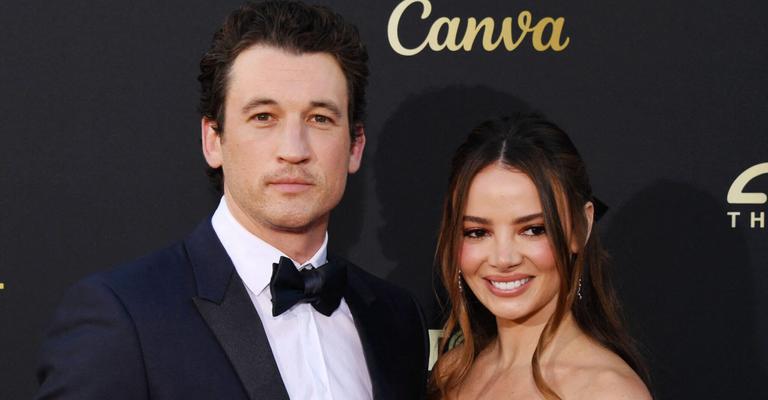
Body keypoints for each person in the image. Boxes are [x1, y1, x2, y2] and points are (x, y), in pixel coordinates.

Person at [34, 1, 428, 399]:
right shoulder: (125, 317)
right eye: (263, 117)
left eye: (319, 119)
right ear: (213, 140)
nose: (293, 150)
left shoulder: (394, 319)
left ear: (354, 147)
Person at [429, 114, 651, 399]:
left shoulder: (607, 391)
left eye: (533, 230)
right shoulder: (452, 373)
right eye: (477, 232)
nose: (503, 258)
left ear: (580, 228)